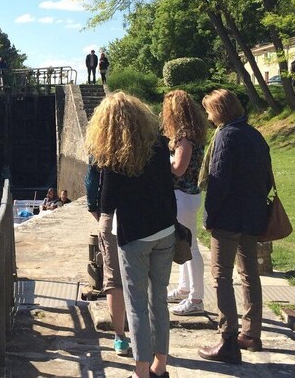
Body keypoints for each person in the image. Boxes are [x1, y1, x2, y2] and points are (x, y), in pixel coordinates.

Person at [88, 92, 176, 378]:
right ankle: (159, 366)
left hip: (134, 236)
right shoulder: (161, 145)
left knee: (137, 306)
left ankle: (140, 371)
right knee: (159, 300)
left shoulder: (114, 154)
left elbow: (107, 202)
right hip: (166, 230)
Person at [197, 89, 273, 364]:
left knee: (222, 276)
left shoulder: (226, 136)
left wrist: (209, 216)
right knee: (249, 275)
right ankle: (251, 334)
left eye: (208, 111)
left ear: (219, 111)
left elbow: (218, 181)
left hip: (229, 218)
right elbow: (266, 178)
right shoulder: (255, 134)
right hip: (252, 216)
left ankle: (228, 339)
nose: (207, 116)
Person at [161, 90, 208, 316]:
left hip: (183, 195)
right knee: (185, 242)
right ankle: (184, 288)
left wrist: (162, 161)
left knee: (190, 246)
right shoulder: (194, 133)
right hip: (189, 195)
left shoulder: (183, 136)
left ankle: (196, 297)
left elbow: (178, 169)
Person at [85, 156, 129, 356]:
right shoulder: (147, 138)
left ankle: (120, 337)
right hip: (141, 216)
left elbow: (91, 180)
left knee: (113, 280)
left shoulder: (101, 142)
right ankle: (144, 335)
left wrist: (94, 208)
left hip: (110, 215)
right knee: (141, 278)